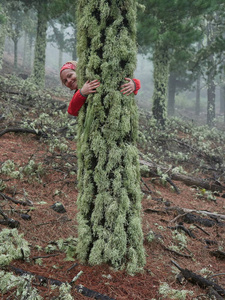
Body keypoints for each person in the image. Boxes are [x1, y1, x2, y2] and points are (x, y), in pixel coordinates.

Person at [60, 61, 141, 116]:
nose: (69, 81)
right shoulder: (78, 92)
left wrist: (134, 84)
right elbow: (72, 111)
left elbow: (118, 81)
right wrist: (82, 93)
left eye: (70, 75)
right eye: (65, 81)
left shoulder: (92, 77)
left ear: (78, 71)